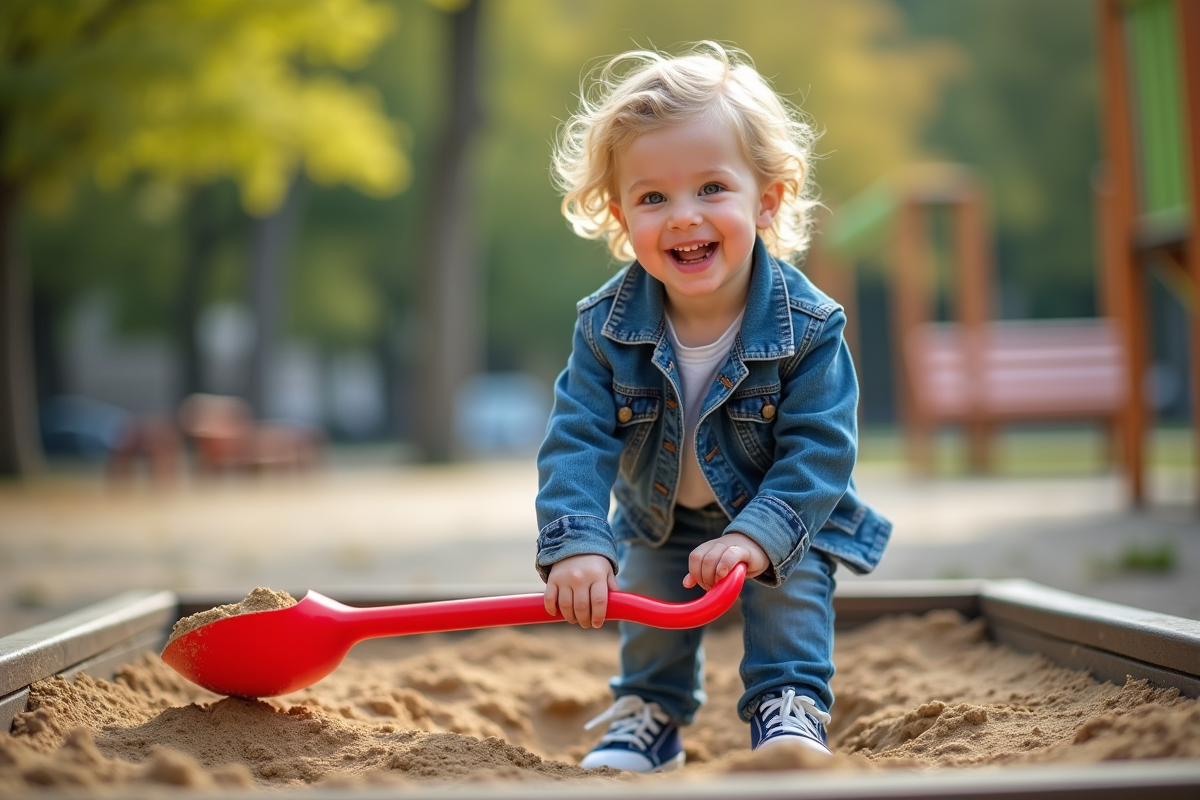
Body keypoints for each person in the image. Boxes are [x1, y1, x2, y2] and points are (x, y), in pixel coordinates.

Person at [535, 41, 891, 773]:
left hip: (782, 510)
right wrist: (574, 539)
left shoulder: (810, 326)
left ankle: (788, 707)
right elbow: (576, 438)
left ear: (767, 199)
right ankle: (651, 714)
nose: (683, 217)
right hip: (662, 515)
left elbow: (820, 451)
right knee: (651, 615)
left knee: (787, 596)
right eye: (653, 197)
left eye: (711, 188)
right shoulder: (604, 327)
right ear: (618, 214)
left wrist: (758, 536)